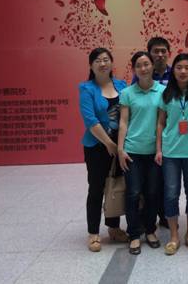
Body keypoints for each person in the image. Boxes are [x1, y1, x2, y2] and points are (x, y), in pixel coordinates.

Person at [79, 48, 129, 252]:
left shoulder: (122, 85)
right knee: (97, 187)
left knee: (115, 185)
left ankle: (114, 228)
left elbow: (127, 113)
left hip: (121, 146)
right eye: (98, 60)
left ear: (111, 62)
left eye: (106, 59)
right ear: (91, 65)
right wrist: (109, 144)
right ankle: (93, 233)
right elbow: (90, 120)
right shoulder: (86, 88)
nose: (102, 63)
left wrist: (120, 146)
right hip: (97, 147)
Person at [156, 53, 188, 255]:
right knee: (171, 194)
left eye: (187, 67)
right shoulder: (165, 93)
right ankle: (174, 236)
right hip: (171, 152)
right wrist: (159, 149)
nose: (183, 71)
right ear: (173, 70)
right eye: (179, 68)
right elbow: (160, 123)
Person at [117, 51, 163, 255]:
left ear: (152, 66)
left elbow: (163, 122)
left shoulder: (162, 91)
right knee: (133, 193)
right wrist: (120, 149)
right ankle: (134, 234)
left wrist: (162, 149)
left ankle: (150, 230)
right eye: (138, 65)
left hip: (155, 152)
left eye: (146, 64)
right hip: (132, 151)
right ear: (134, 69)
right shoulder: (127, 93)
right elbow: (123, 122)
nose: (143, 68)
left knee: (152, 193)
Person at [132, 36, 171, 229]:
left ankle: (164, 215)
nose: (160, 54)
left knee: (164, 180)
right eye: (156, 51)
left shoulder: (175, 73)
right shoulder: (143, 73)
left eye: (163, 51)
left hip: (170, 135)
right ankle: (145, 218)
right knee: (146, 183)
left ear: (168, 53)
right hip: (145, 136)